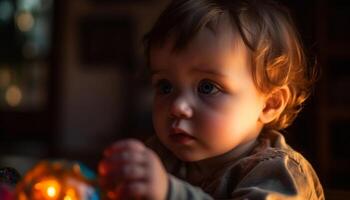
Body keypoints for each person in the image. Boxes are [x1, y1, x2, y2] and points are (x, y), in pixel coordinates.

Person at [98, 0, 325, 199]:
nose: (177, 106)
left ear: (270, 104)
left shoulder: (279, 173)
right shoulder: (161, 156)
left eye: (207, 87)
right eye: (165, 86)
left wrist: (170, 193)